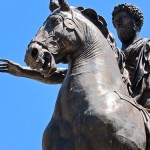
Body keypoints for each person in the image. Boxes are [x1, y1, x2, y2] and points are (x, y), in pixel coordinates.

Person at [112, 3, 150, 112]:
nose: (118, 24)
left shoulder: (147, 47)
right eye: (115, 22)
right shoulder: (113, 58)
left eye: (122, 18)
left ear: (136, 22)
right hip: (119, 109)